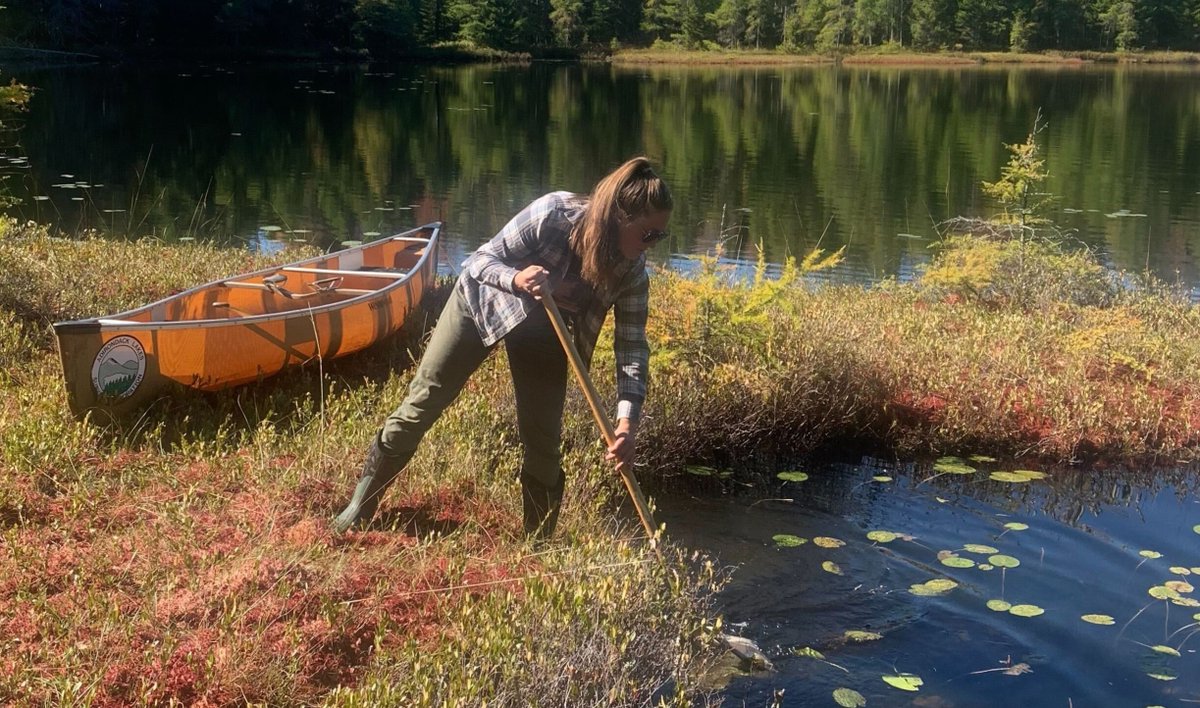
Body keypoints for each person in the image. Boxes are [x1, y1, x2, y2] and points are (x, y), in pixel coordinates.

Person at [333, 156, 673, 538]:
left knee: (543, 441)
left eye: (660, 237)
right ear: (619, 216)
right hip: (483, 302)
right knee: (425, 401)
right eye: (649, 235)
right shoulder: (553, 214)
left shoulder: (631, 271)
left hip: (548, 328)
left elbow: (632, 349)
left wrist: (627, 423)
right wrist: (516, 279)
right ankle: (360, 507)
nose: (652, 247)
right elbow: (479, 261)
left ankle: (537, 542)